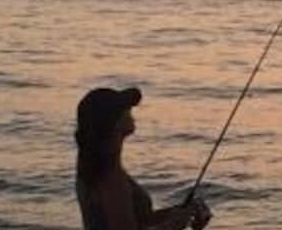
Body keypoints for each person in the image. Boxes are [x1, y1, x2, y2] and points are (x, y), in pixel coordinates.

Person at [76, 87, 212, 230]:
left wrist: (183, 211)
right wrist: (173, 225)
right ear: (112, 122)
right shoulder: (110, 176)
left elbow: (141, 220)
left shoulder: (97, 166)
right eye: (125, 108)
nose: (130, 110)